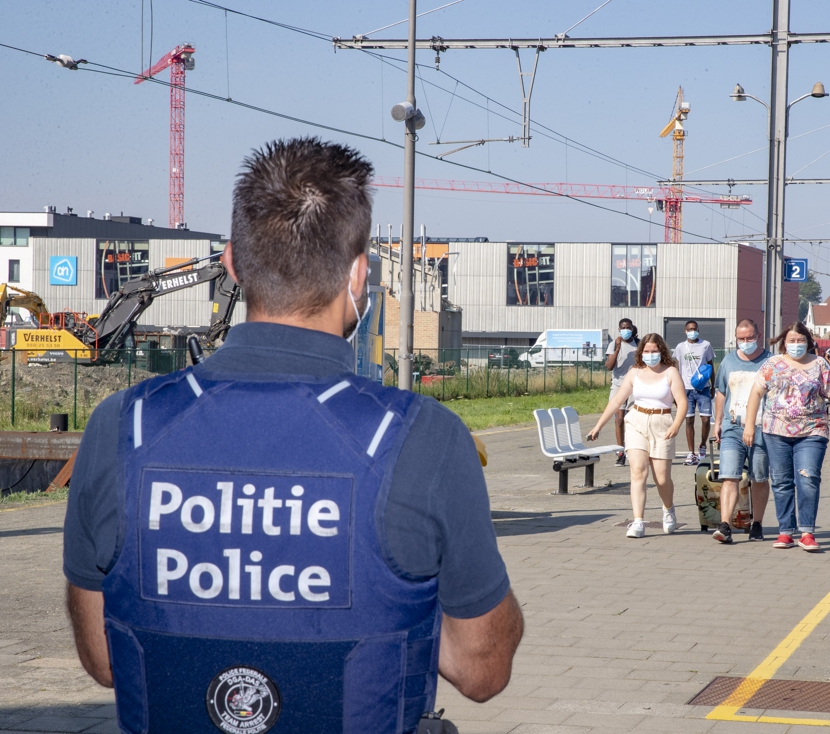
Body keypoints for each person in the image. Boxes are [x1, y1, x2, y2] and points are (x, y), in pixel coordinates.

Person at [62, 139, 524, 733]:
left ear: (231, 263)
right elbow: (482, 672)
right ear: (359, 273)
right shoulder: (421, 437)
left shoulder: (121, 426)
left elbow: (104, 661)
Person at [742, 322, 830, 552]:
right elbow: (755, 394)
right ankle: (785, 532)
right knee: (782, 481)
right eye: (791, 341)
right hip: (775, 431)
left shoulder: (820, 364)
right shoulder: (772, 364)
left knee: (808, 478)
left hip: (812, 431)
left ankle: (807, 532)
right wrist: (749, 426)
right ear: (784, 343)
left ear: (809, 342)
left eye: (800, 341)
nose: (796, 345)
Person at [589, 334, 687, 538]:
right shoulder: (634, 372)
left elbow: (682, 402)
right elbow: (617, 400)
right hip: (636, 421)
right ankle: (638, 521)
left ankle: (668, 510)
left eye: (654, 351)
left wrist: (677, 424)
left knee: (661, 478)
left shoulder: (671, 372)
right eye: (647, 351)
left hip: (663, 424)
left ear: (662, 351)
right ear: (641, 352)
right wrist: (598, 426)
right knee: (638, 471)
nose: (650, 355)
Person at [711, 319, 771, 543]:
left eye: (749, 338)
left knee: (759, 478)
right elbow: (721, 393)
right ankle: (725, 524)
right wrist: (717, 422)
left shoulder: (770, 361)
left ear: (758, 335)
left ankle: (757, 524)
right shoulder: (728, 361)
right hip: (732, 428)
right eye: (741, 339)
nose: (745, 342)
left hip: (761, 429)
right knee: (729, 476)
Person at [673, 320, 715, 466]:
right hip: (686, 388)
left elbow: (710, 366)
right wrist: (675, 391)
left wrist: (713, 386)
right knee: (689, 420)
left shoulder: (706, 345)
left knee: (705, 419)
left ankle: (702, 445)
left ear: (698, 330)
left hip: (703, 388)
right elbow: (677, 368)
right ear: (685, 331)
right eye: (689, 329)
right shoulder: (680, 347)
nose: (692, 331)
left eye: (694, 329)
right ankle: (691, 453)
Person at [605, 318, 640, 466]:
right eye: (623, 328)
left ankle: (634, 450)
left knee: (632, 421)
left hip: (635, 386)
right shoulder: (614, 344)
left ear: (632, 328)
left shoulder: (638, 344)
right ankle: (621, 452)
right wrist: (617, 349)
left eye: (628, 327)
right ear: (619, 330)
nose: (625, 330)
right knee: (619, 419)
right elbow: (609, 366)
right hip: (618, 386)